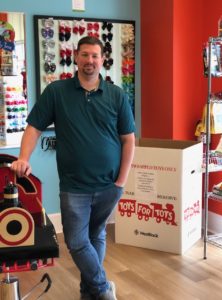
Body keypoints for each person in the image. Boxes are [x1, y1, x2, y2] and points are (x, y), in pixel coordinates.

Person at [11, 36, 135, 300]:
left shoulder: (116, 95)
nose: (90, 61)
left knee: (96, 235)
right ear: (76, 57)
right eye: (85, 55)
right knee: (77, 242)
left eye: (95, 56)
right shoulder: (57, 92)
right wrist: (24, 157)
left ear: (102, 60)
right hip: (74, 187)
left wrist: (121, 181)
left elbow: (128, 140)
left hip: (109, 185)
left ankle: (88, 292)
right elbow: (34, 127)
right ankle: (102, 288)